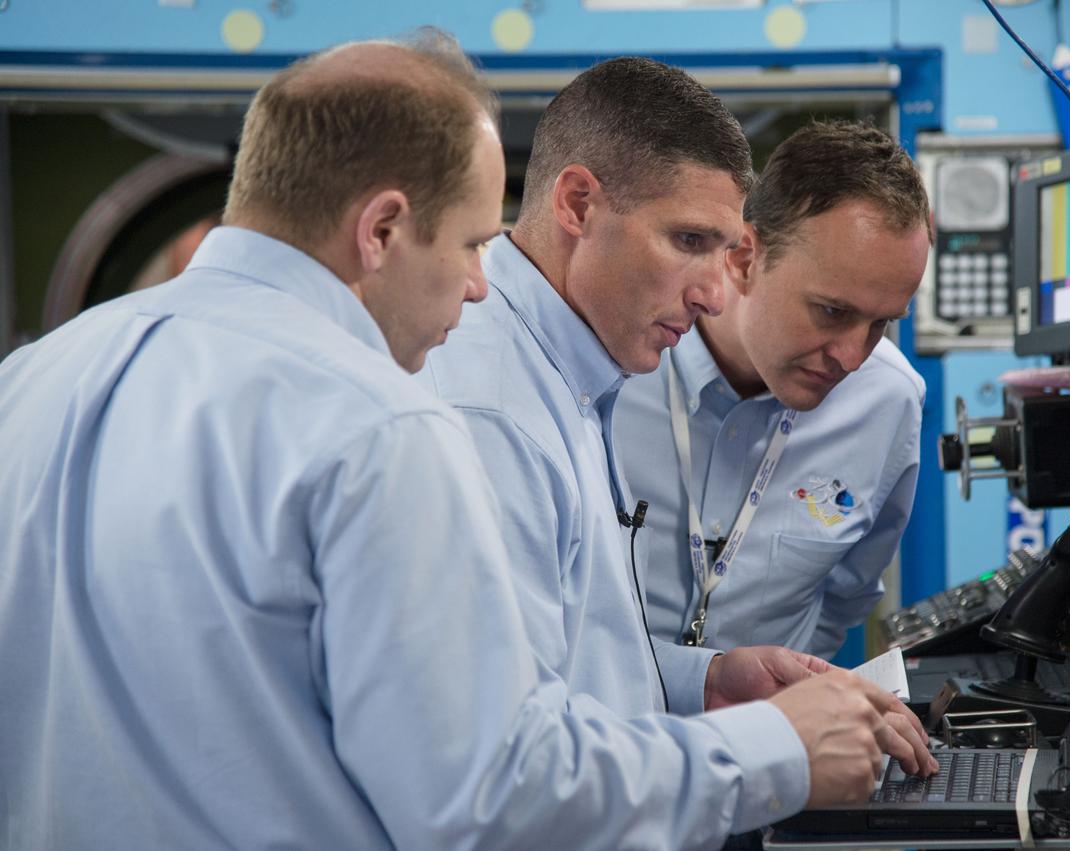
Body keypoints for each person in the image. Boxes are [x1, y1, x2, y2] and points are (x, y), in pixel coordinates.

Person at [0, 36, 926, 851]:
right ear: (383, 228)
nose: (482, 287)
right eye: (474, 243)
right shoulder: (381, 422)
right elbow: (485, 799)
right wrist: (774, 750)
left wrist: (690, 678)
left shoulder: (37, 378)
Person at [420, 57, 935, 815]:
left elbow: (580, 665)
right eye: (689, 240)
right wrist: (765, 753)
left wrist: (708, 677)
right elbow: (505, 775)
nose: (710, 291)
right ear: (577, 203)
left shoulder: (577, 368)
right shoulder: (494, 410)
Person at [614, 119, 932, 661]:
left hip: (764, 740)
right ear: (743, 259)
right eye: (832, 312)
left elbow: (845, 596)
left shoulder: (889, 401)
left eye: (882, 323)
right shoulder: (618, 368)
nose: (853, 357)